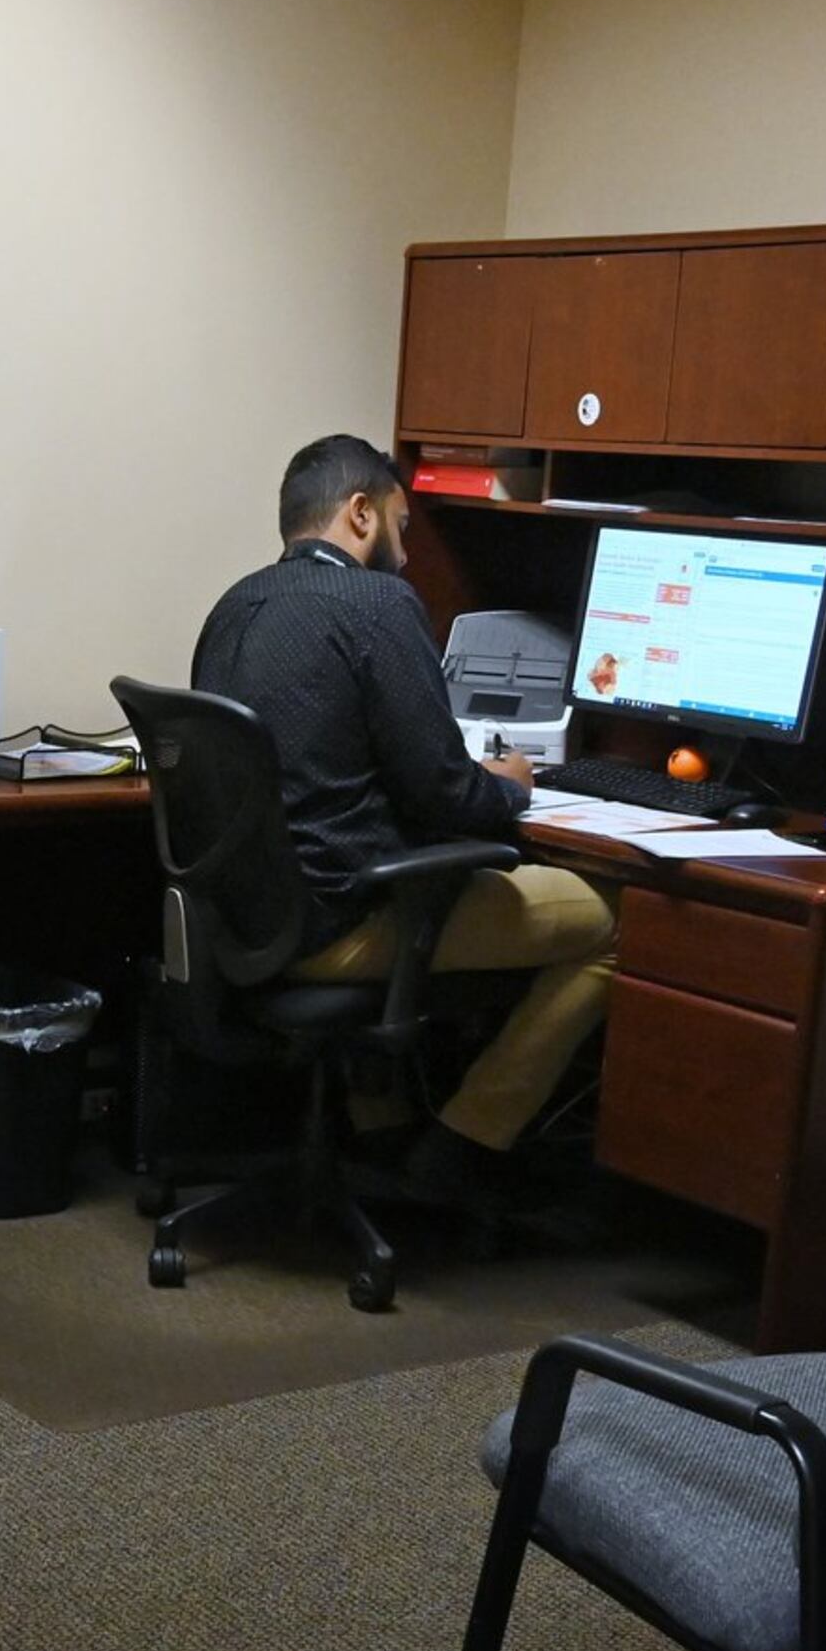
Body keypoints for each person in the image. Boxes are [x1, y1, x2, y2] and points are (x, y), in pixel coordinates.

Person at [188, 434, 618, 1187]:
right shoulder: (377, 604)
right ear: (360, 513)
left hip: (247, 920)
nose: (410, 554)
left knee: (376, 855)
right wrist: (512, 784)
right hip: (341, 925)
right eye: (401, 523)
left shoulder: (236, 604)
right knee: (616, 921)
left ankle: (381, 1123)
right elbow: (447, 792)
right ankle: (465, 1141)